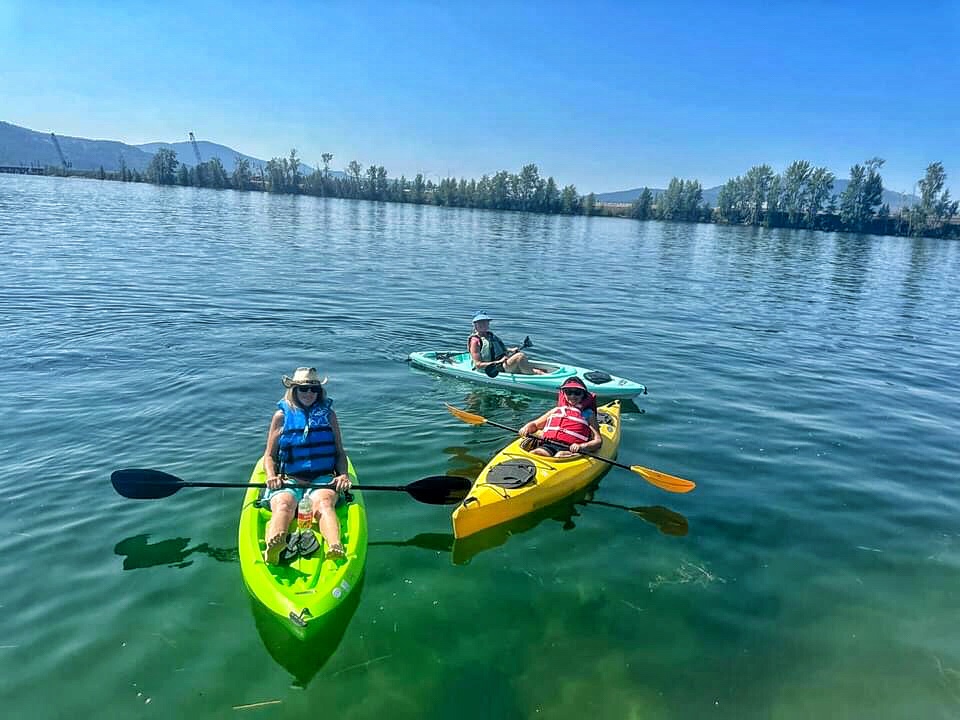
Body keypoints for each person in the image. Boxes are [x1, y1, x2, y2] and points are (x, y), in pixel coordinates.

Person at [261, 367, 352, 564]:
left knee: (324, 504)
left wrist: (343, 474)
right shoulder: (281, 416)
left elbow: (339, 452)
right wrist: (271, 476)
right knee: (283, 505)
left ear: (320, 392)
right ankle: (273, 547)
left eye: (314, 389)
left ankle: (335, 545)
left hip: (322, 478)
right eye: (303, 389)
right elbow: (269, 456)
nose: (309, 393)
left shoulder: (329, 415)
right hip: (290, 479)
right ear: (294, 390)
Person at [518, 376, 602, 457]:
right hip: (549, 445)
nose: (572, 396)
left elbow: (598, 441)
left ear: (583, 394)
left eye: (577, 393)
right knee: (537, 452)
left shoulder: (588, 414)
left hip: (571, 449)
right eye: (568, 392)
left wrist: (581, 446)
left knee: (560, 455)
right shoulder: (556, 410)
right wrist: (526, 428)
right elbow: (535, 425)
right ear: (563, 394)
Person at [468, 310, 546, 375]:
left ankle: (537, 373)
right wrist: (498, 362)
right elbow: (478, 364)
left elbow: (495, 349)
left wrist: (510, 350)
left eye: (485, 321)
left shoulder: (490, 335)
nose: (483, 324)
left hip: (501, 363)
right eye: (480, 322)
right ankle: (534, 375)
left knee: (536, 369)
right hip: (491, 369)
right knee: (520, 356)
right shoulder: (475, 341)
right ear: (475, 324)